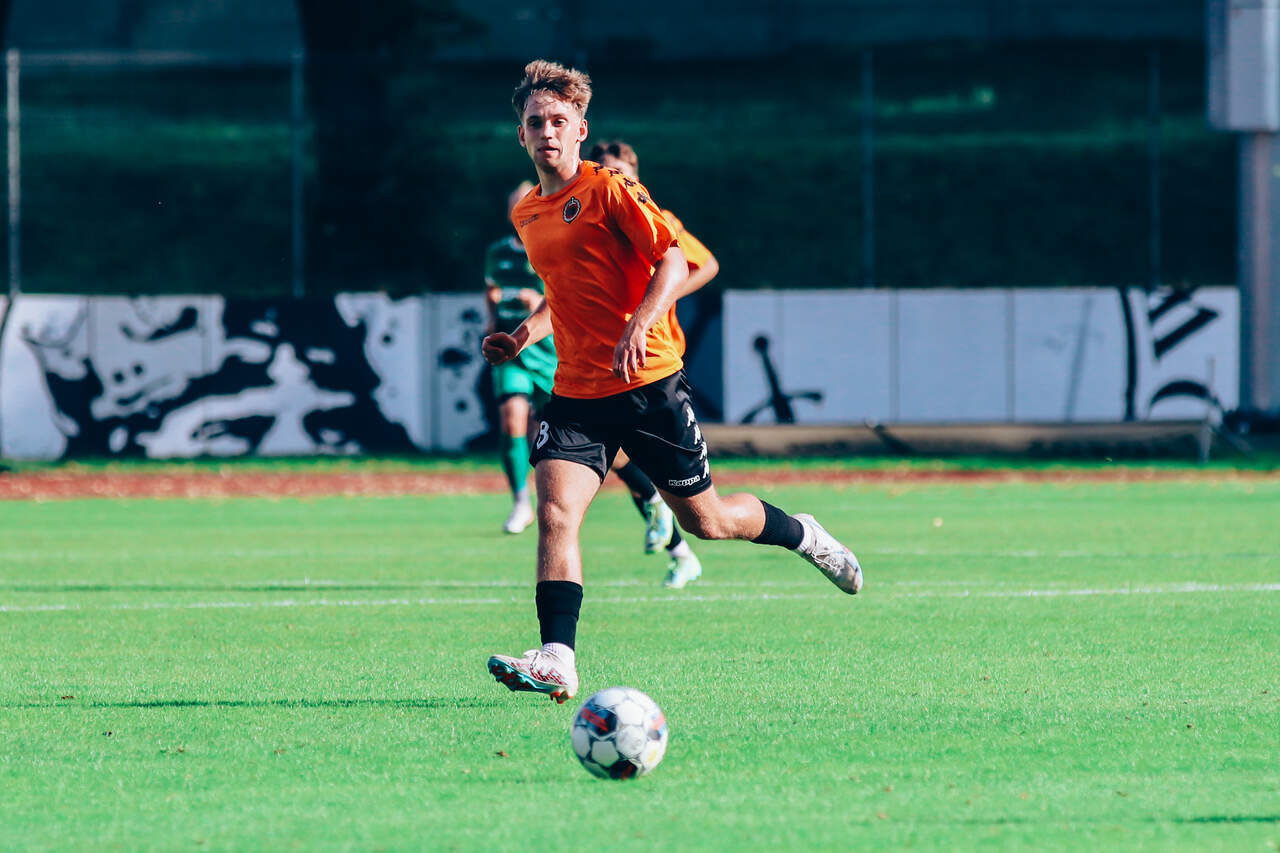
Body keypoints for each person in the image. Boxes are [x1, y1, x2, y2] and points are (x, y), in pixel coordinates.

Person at [483, 60, 862, 704]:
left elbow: (675, 259)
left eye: (559, 121)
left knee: (707, 521)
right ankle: (558, 658)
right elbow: (562, 294)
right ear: (521, 136)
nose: (547, 131)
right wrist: (521, 336)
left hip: (648, 383)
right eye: (535, 123)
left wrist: (640, 322)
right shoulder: (528, 213)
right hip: (577, 391)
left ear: (580, 130)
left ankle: (804, 534)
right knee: (555, 512)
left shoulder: (610, 190)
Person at [586, 138, 719, 590]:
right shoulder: (588, 219)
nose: (613, 181)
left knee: (688, 498)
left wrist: (662, 297)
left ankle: (671, 528)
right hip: (600, 358)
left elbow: (705, 264)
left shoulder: (657, 218)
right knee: (611, 453)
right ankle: (677, 546)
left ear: (636, 176)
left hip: (654, 361)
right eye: (605, 172)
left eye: (620, 173)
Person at [484, 180, 557, 534]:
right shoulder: (498, 252)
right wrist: (491, 314)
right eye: (515, 205)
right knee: (511, 417)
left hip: (548, 349)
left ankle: (553, 502)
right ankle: (520, 502)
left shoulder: (552, 245)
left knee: (550, 430)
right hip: (511, 348)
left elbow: (568, 293)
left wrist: (537, 300)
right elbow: (490, 289)